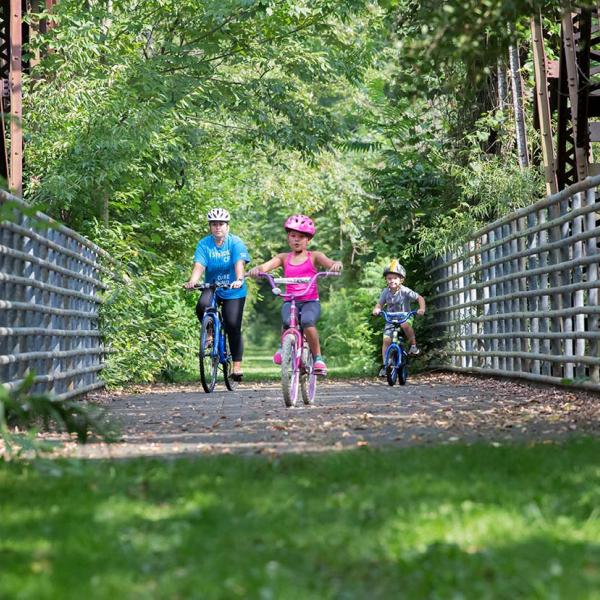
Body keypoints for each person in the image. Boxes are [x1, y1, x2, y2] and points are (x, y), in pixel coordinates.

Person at [248, 214, 342, 376]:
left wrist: (336, 265)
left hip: (309, 301)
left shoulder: (314, 256)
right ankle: (282, 348)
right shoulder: (284, 257)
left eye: (301, 237)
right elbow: (267, 266)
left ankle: (318, 357)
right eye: (293, 236)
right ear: (288, 238)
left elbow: (331, 263)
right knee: (286, 321)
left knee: (307, 321)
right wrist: (258, 270)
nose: (297, 240)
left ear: (308, 240)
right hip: (290, 301)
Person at [184, 207, 250, 381]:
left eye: (221, 224)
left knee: (232, 324)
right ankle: (211, 332)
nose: (217, 227)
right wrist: (192, 280)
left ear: (227, 226)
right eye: (214, 224)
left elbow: (239, 263)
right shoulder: (204, 244)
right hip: (212, 286)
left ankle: (236, 366)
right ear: (210, 226)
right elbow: (199, 264)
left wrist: (239, 279)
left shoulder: (235, 243)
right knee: (202, 306)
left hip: (233, 289)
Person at [372, 259, 426, 377]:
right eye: (389, 278)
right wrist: (377, 309)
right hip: (390, 319)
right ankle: (385, 364)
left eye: (395, 278)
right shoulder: (385, 292)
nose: (392, 280)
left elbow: (420, 298)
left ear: (401, 279)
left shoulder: (405, 291)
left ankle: (413, 345)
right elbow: (380, 304)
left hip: (404, 317)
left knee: (405, 325)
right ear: (386, 280)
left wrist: (421, 309)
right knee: (386, 340)